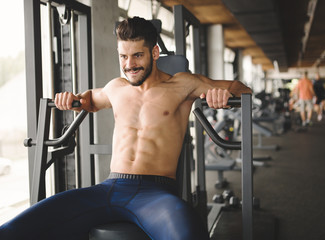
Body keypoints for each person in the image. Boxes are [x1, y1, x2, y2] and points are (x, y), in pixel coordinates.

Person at [0, 17, 252, 240]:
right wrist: (71, 99)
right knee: (13, 229)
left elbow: (242, 89)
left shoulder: (183, 84)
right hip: (109, 189)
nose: (129, 64)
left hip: (157, 194)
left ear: (154, 53)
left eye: (137, 56)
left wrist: (224, 96)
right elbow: (87, 99)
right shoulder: (116, 87)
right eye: (123, 56)